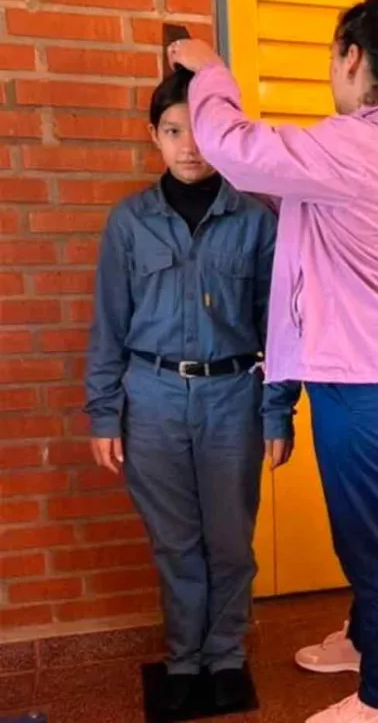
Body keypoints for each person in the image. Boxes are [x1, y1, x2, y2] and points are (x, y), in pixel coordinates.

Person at [169, 0, 378, 723]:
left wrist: (210, 73)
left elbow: (235, 144)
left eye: (334, 56)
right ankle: (367, 640)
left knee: (368, 544)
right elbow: (333, 211)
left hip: (369, 379)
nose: (332, 70)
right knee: (371, 525)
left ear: (353, 58)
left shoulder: (358, 143)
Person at [85, 70, 299, 713]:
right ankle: (184, 657)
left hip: (232, 396)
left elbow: (279, 327)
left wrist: (277, 413)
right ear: (154, 136)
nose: (188, 146)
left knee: (231, 539)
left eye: (199, 130)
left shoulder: (256, 221)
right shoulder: (128, 224)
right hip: (149, 400)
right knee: (175, 541)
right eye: (173, 131)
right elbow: (107, 324)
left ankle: (227, 654)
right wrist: (103, 414)